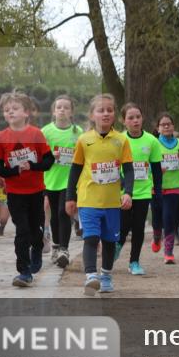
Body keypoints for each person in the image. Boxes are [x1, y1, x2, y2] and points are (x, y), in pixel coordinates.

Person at [65, 93, 133, 295]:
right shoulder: (84, 140)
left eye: (109, 110)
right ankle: (91, 276)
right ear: (92, 115)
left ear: (115, 115)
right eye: (100, 110)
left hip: (112, 201)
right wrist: (71, 197)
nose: (105, 114)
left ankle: (106, 275)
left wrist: (127, 192)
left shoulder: (121, 140)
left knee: (110, 241)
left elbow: (128, 170)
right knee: (91, 238)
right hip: (88, 199)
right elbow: (75, 170)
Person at [0, 92, 54, 287]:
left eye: (14, 108)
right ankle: (24, 271)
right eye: (7, 110)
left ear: (26, 112)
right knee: (22, 231)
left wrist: (32, 166)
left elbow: (49, 160)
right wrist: (15, 170)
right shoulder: (1, 138)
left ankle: (38, 247)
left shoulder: (35, 134)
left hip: (36, 192)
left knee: (35, 232)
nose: (10, 112)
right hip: (15, 194)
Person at [117, 103, 163, 275]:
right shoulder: (120, 140)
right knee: (122, 227)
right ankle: (116, 247)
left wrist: (158, 192)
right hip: (123, 192)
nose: (135, 121)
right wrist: (122, 183)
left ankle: (134, 261)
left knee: (138, 227)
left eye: (138, 117)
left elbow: (157, 170)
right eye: (131, 118)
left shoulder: (152, 141)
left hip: (144, 191)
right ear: (124, 121)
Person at [42, 95, 82, 268]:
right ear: (53, 111)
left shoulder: (78, 132)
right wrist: (51, 156)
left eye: (66, 107)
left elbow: (83, 155)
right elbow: (40, 155)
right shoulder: (45, 131)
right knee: (54, 216)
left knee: (63, 212)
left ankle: (64, 249)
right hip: (51, 179)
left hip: (70, 180)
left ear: (71, 112)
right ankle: (56, 246)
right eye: (59, 107)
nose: (62, 110)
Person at [153, 113, 179, 263]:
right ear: (158, 128)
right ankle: (156, 237)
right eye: (163, 124)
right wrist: (156, 170)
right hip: (157, 188)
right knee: (156, 220)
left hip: (175, 186)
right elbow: (147, 164)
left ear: (173, 126)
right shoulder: (154, 144)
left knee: (169, 219)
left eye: (169, 124)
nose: (166, 126)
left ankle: (168, 252)